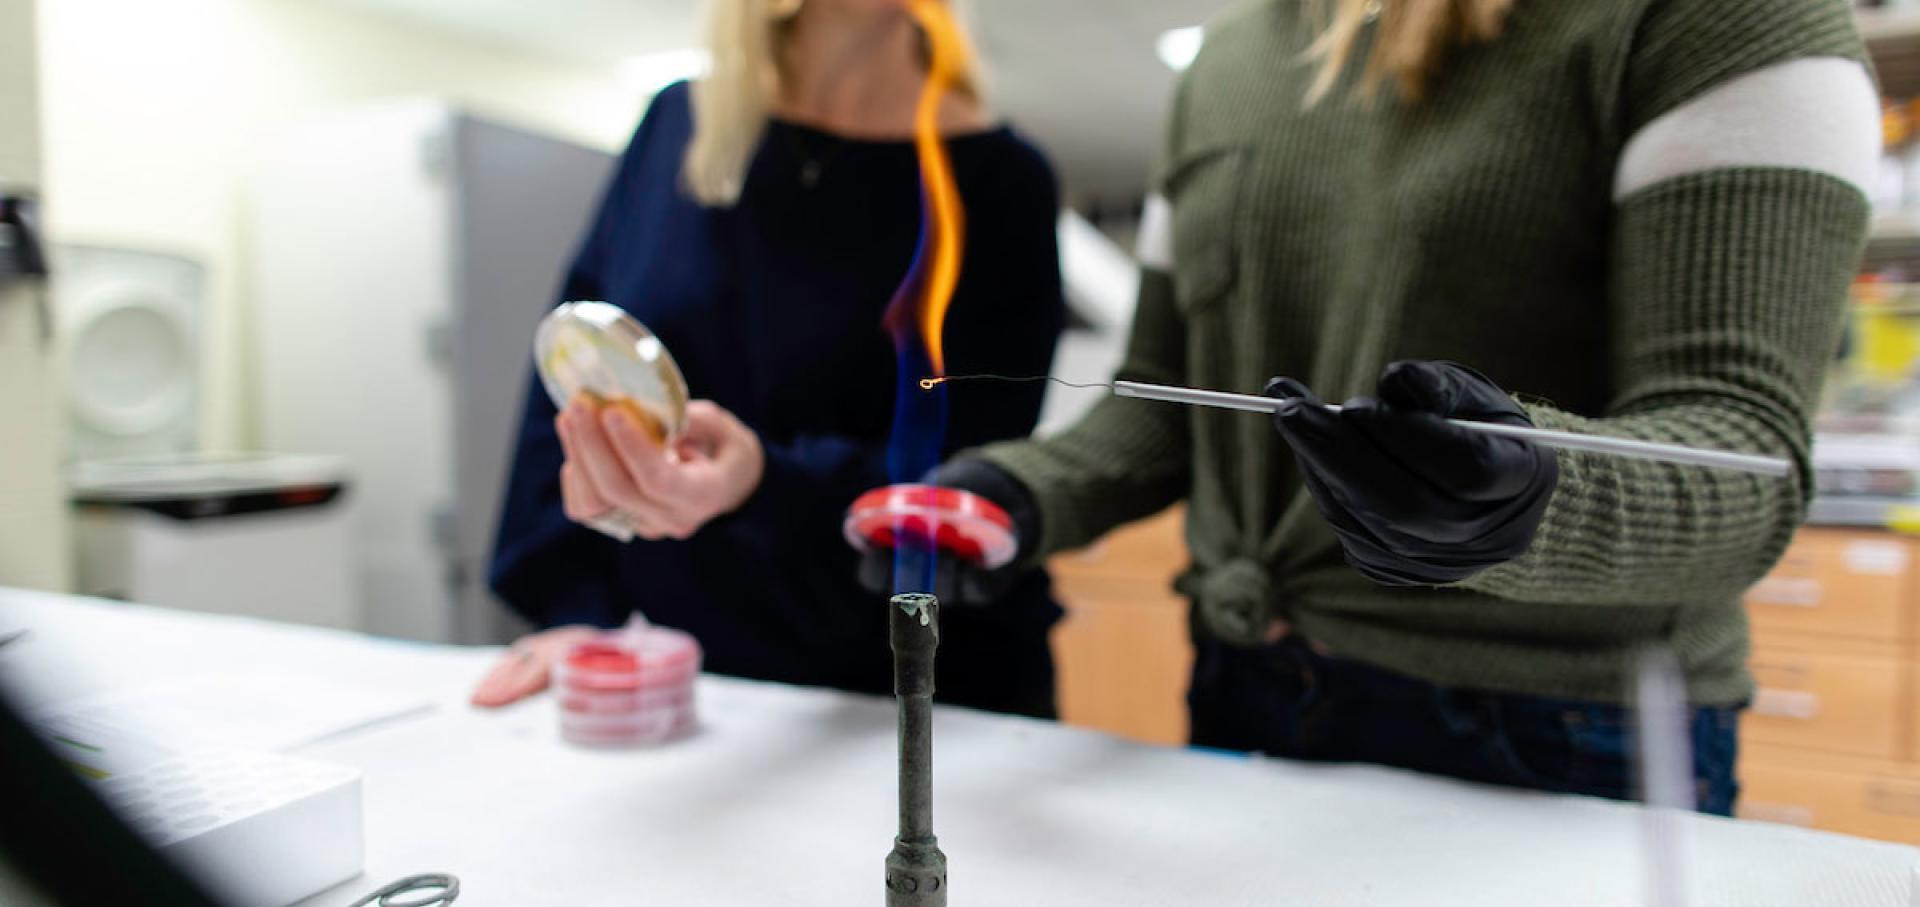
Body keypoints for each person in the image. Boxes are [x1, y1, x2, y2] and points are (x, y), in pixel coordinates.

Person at [933, 0, 1877, 813]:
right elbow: (1163, 410)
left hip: (1556, 742)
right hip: (1246, 695)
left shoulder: (1720, 23)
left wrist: (1528, 499)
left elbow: (1747, 457)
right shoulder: (1225, 64)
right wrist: (1012, 495)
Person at [476, 0, 1066, 717]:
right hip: (709, 688)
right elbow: (572, 368)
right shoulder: (677, 128)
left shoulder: (1000, 182)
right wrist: (572, 605)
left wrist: (764, 480)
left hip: (925, 686)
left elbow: (975, 474)